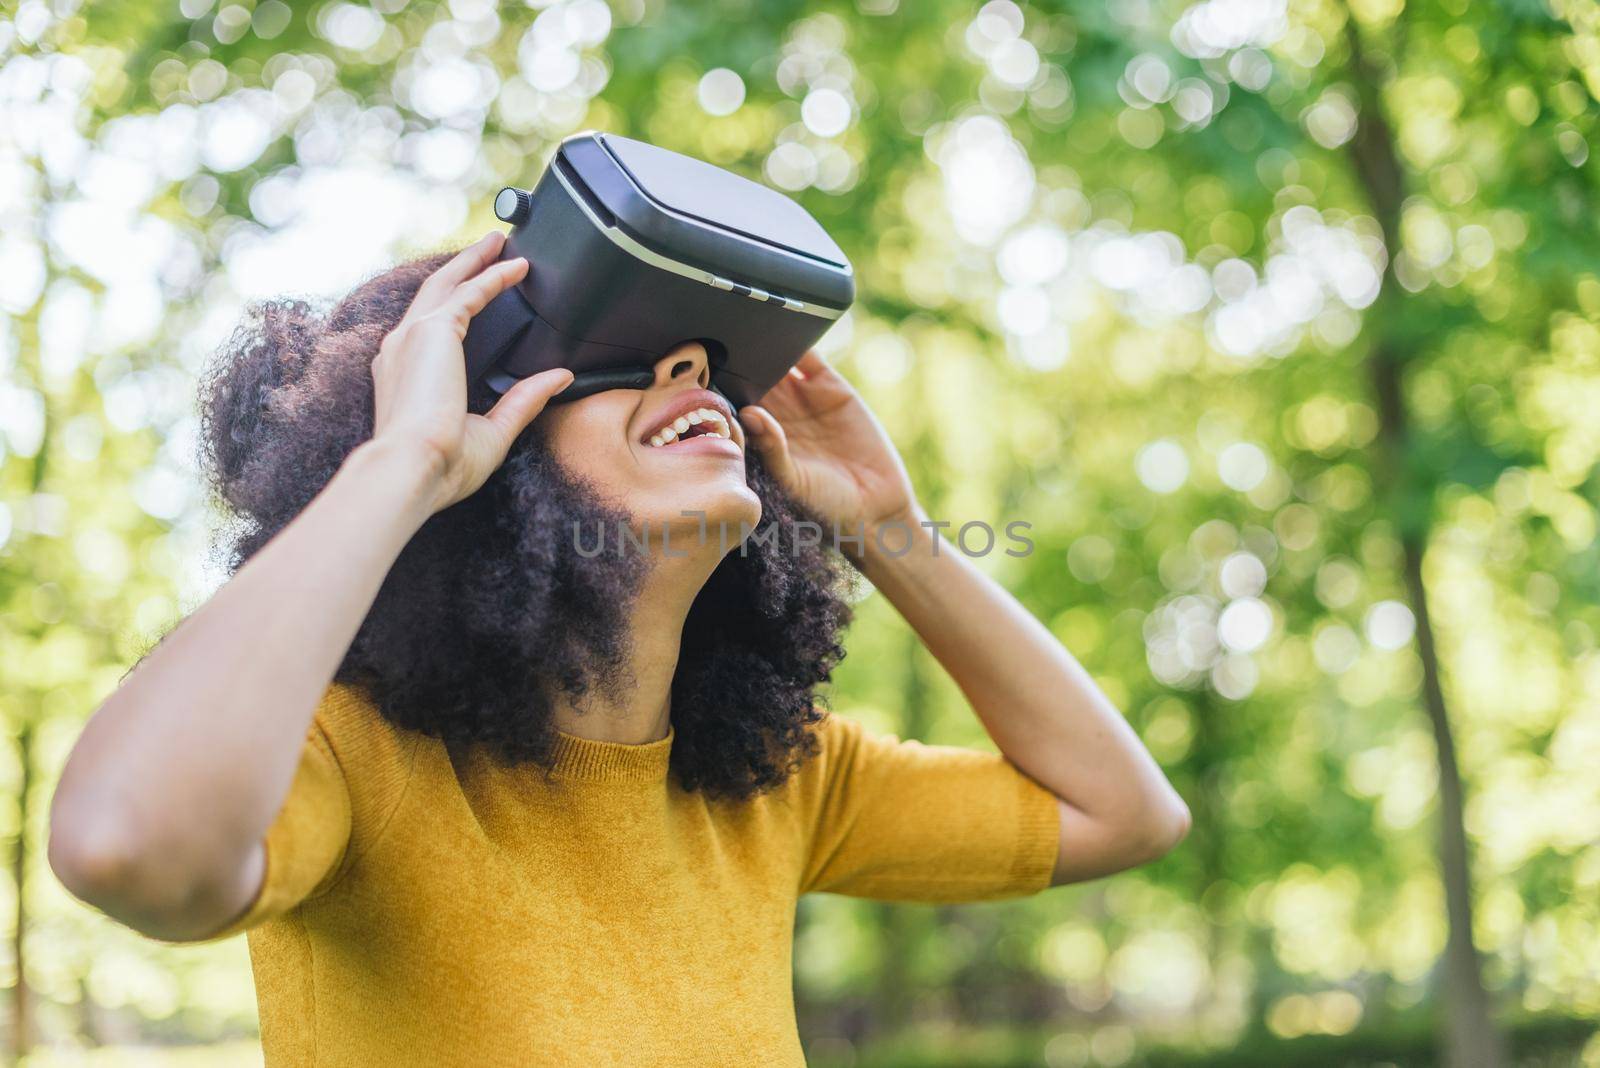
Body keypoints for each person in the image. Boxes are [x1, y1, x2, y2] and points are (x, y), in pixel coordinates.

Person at [48, 233, 1190, 1065]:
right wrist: (401, 469)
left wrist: (891, 532)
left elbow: (1124, 815)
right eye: (622, 356)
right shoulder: (352, 758)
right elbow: (125, 844)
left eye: (700, 366)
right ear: (482, 435)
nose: (688, 372)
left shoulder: (774, 780)